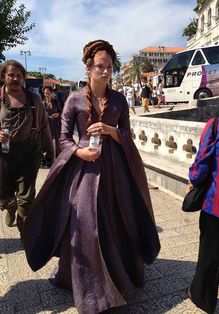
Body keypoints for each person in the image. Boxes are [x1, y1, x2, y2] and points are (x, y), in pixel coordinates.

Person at [23, 39, 160, 314]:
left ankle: (118, 276)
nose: (106, 72)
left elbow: (128, 137)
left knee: (116, 219)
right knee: (83, 222)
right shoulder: (73, 99)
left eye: (109, 67)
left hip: (114, 169)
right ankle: (90, 285)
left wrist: (112, 132)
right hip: (83, 169)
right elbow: (61, 138)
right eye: (100, 66)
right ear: (88, 67)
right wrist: (78, 152)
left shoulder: (119, 99)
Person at [188, 79, 219, 313]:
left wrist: (194, 180)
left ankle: (203, 299)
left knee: (210, 260)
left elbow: (201, 165)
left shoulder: (217, 126)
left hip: (218, 207)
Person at [0, 60, 53, 231]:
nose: (15, 78)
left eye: (19, 75)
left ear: (23, 78)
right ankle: (10, 206)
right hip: (3, 153)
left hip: (30, 151)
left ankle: (25, 230)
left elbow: (44, 126)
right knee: (4, 193)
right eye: (11, 75)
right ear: (3, 77)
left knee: (27, 196)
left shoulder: (34, 99)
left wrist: (50, 152)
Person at [42, 86, 62, 160]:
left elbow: (61, 111)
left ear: (51, 93)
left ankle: (57, 158)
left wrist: (58, 114)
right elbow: (40, 115)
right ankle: (49, 158)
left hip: (56, 124)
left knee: (56, 141)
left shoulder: (56, 102)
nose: (47, 95)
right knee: (48, 142)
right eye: (45, 93)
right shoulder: (42, 103)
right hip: (47, 125)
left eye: (48, 93)